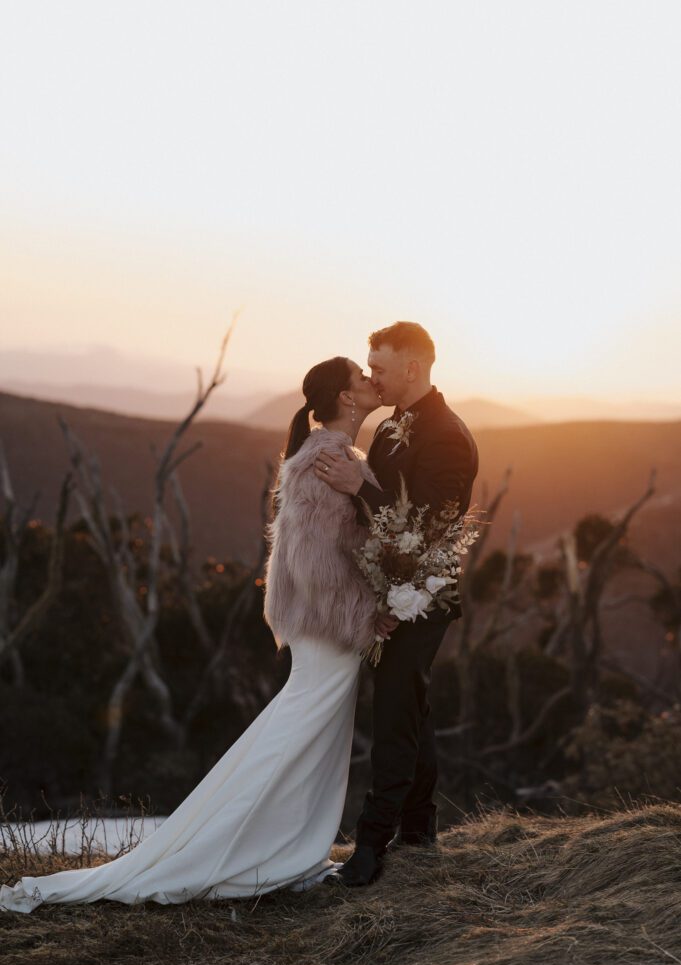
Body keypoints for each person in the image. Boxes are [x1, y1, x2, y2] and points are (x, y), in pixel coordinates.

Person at [0, 356, 389, 913]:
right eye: (362, 378)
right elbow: (313, 562)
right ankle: (225, 849)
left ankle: (288, 850)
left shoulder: (333, 454)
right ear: (346, 399)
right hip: (331, 626)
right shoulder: (326, 457)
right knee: (290, 742)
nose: (373, 383)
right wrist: (366, 613)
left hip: (330, 626)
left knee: (308, 742)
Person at [314, 322, 479, 887]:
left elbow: (429, 528)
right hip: (386, 593)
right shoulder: (386, 430)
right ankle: (418, 831)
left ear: (412, 367)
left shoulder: (449, 436)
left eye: (378, 367)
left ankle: (370, 849)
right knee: (412, 709)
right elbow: (373, 523)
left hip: (425, 597)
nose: (371, 376)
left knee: (393, 716)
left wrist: (359, 485)